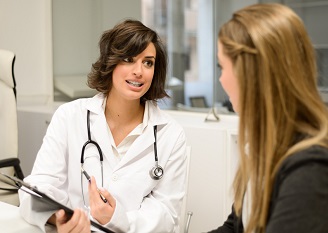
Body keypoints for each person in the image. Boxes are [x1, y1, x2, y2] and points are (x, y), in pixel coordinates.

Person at [19, 19, 187, 233]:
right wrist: (58, 217)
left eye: (148, 62)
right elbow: (36, 187)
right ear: (110, 62)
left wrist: (117, 220)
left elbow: (166, 214)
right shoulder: (69, 117)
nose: (139, 71)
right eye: (128, 59)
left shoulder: (170, 134)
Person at [209, 3, 328, 233]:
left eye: (222, 67)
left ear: (249, 74)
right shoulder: (264, 147)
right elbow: (235, 228)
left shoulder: (310, 167)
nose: (221, 80)